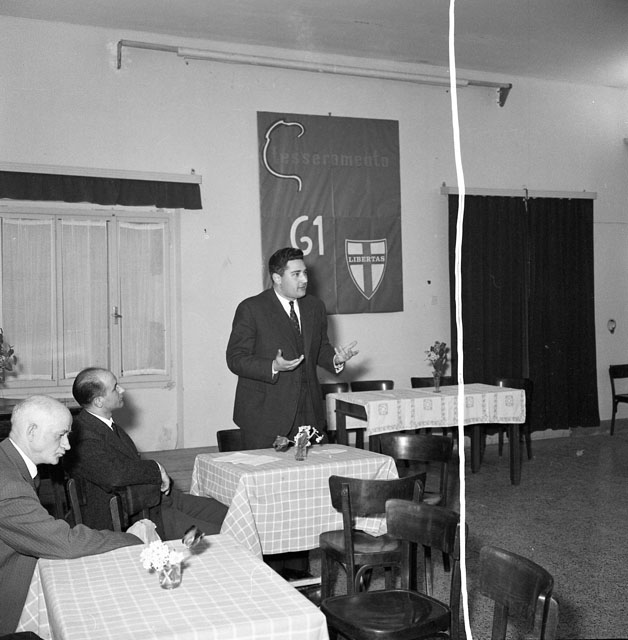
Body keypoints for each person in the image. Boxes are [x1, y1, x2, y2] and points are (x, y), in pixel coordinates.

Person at [0, 396, 150, 636]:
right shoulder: (9, 486)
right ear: (31, 432)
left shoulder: (8, 460)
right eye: (60, 435)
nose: (67, 445)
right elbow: (65, 542)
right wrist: (131, 539)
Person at [65, 367, 228, 540]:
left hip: (154, 501)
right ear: (99, 401)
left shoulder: (104, 425)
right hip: (134, 517)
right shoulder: (82, 436)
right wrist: (156, 468)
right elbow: (115, 475)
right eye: (115, 388)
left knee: (230, 515)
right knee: (218, 537)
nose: (122, 390)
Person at [227, 246, 359, 450]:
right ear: (277, 278)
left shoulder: (315, 307)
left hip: (308, 412)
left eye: (305, 273)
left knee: (311, 469)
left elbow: (320, 348)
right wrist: (273, 366)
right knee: (267, 470)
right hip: (264, 415)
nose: (304, 279)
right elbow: (235, 359)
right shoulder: (251, 308)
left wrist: (335, 359)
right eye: (296, 274)